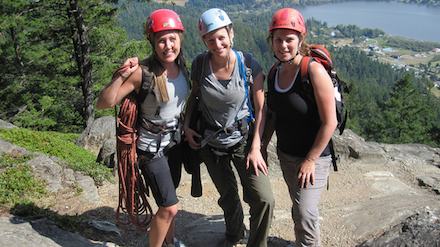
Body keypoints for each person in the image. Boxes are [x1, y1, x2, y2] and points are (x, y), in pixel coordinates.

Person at [96, 9, 188, 247]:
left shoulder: (182, 67)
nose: (168, 45)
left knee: (168, 202)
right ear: (152, 42)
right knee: (169, 206)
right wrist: (121, 75)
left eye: (172, 38)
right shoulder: (142, 73)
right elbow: (104, 102)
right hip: (150, 150)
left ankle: (170, 241)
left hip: (173, 146)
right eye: (161, 40)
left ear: (180, 38)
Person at [183, 8, 275, 247]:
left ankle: (257, 244)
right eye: (210, 39)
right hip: (210, 143)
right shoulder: (200, 64)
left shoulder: (248, 64)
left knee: (264, 199)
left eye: (221, 37)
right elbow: (194, 96)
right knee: (228, 197)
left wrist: (256, 147)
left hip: (243, 140)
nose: (217, 43)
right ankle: (234, 235)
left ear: (231, 33)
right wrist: (186, 126)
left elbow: (261, 107)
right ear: (204, 40)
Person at [262, 8, 338, 247]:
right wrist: (262, 145)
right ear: (271, 41)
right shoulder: (275, 72)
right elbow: (273, 114)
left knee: (305, 213)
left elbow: (330, 121)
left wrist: (311, 159)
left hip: (313, 158)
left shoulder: (312, 70)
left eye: (289, 39)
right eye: (278, 39)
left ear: (300, 40)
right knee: (299, 207)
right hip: (286, 154)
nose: (283, 45)